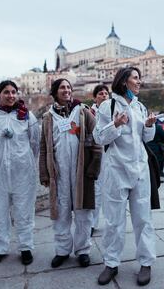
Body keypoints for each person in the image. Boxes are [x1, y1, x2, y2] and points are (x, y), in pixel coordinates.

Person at [93, 67, 157, 286]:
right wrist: (116, 124)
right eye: (136, 78)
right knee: (113, 221)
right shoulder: (107, 106)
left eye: (139, 78)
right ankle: (111, 263)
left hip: (139, 169)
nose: (139, 82)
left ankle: (146, 262)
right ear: (124, 82)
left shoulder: (139, 106)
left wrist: (149, 126)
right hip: (116, 170)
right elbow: (99, 137)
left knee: (143, 218)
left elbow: (146, 139)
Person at [39, 78, 102, 269]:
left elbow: (97, 139)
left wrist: (94, 167)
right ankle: (62, 250)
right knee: (61, 213)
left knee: (84, 213)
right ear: (55, 92)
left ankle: (83, 250)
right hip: (59, 174)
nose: (66, 90)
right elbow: (44, 147)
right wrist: (44, 173)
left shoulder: (82, 112)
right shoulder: (48, 118)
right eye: (62, 88)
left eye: (68, 87)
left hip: (81, 172)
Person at [0, 80, 40, 266]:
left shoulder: (27, 116)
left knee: (24, 212)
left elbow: (35, 143)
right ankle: (0, 248)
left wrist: (25, 161)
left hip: (22, 172)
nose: (11, 95)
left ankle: (25, 247)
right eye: (6, 92)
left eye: (14, 92)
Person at [90, 84, 110, 236]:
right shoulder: (89, 112)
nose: (104, 96)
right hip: (95, 155)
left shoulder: (113, 111)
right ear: (95, 97)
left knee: (111, 190)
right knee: (95, 190)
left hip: (110, 154)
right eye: (101, 94)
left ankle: (111, 222)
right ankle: (92, 223)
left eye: (106, 94)